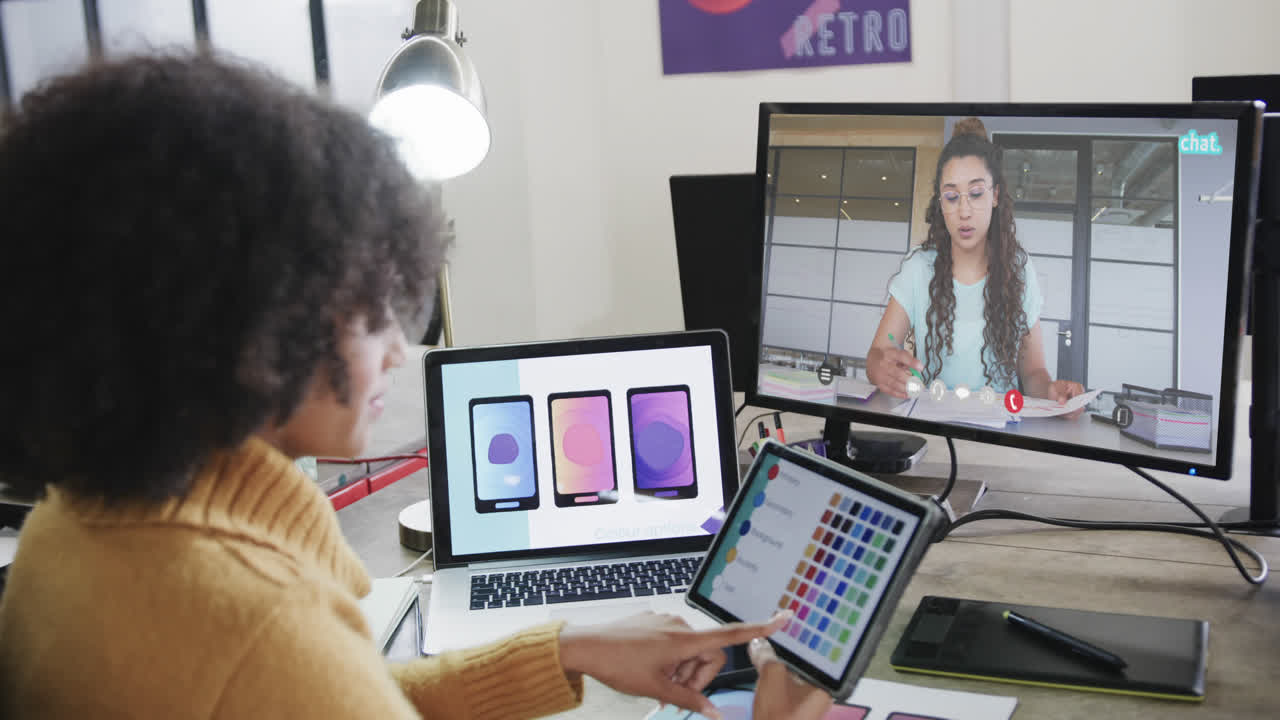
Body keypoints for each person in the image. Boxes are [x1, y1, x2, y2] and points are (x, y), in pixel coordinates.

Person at [0, 55, 835, 719]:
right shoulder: (254, 628)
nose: (401, 351)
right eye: (370, 310)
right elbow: (299, 682)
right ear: (245, 318)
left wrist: (567, 648)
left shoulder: (69, 525)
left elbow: (343, 699)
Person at [865, 118, 1085, 413]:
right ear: (940, 203)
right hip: (932, 427)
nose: (964, 211)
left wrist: (1052, 392)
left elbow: (1033, 374)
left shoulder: (1019, 271)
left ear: (995, 196)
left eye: (977, 193)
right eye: (952, 197)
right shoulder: (919, 268)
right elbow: (878, 352)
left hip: (999, 433)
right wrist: (881, 367)